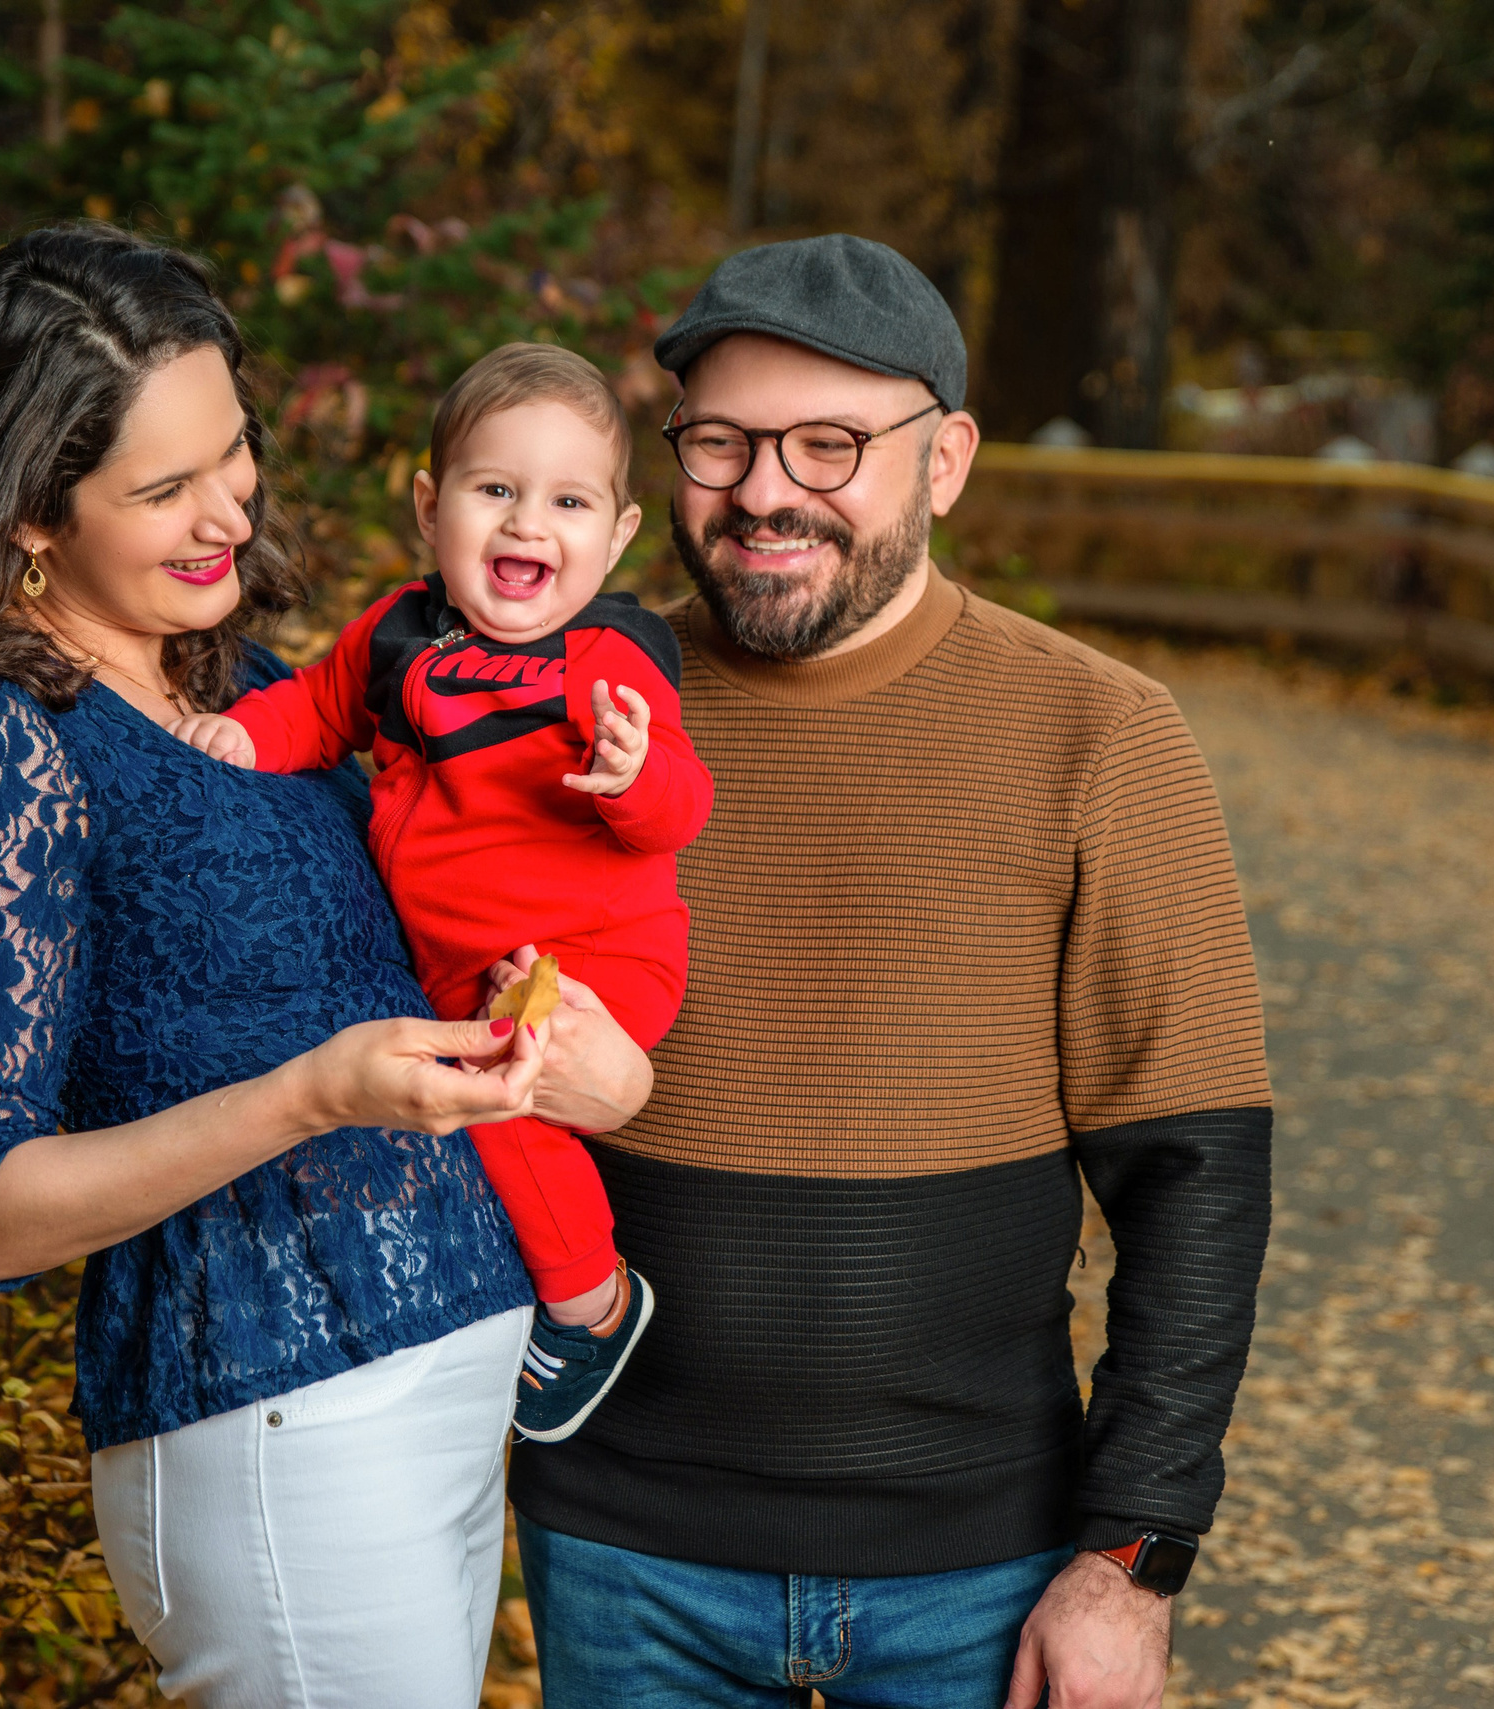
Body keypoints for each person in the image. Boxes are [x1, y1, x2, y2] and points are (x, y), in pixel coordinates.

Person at [0, 224, 654, 1709]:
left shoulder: (241, 678)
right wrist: (310, 1095)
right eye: (162, 489)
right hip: (276, 1426)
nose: (228, 513)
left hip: (443, 1398)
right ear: (27, 511)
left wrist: (592, 1069)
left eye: (232, 451)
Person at [507, 233, 1276, 1709]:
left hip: (981, 1568)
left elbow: (1195, 1177)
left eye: (830, 444)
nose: (765, 491)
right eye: (722, 442)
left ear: (947, 461)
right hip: (622, 1550)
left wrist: (1133, 1556)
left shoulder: (1098, 736)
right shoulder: (569, 711)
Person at [169, 343, 713, 1442]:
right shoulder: (397, 634)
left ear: (614, 537)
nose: (527, 524)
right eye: (495, 489)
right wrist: (246, 735)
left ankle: (593, 1306)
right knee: (464, 1108)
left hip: (591, 957)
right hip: (463, 967)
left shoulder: (607, 658)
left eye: (567, 502)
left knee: (501, 1117)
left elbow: (680, 809)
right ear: (431, 506)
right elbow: (316, 707)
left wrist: (633, 773)